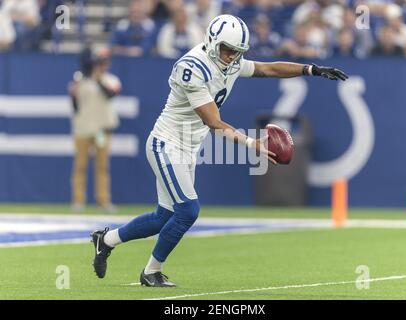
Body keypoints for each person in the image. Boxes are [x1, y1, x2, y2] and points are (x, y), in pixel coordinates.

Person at [91, 14, 348, 287]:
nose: (231, 56)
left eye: (237, 52)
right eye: (227, 49)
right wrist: (253, 144)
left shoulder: (231, 61)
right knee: (188, 211)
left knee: (163, 217)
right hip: (166, 144)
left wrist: (310, 69)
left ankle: (105, 240)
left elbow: (268, 69)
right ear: (212, 42)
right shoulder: (192, 67)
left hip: (188, 147)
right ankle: (151, 271)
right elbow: (212, 122)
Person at [69, 48, 121, 213]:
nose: (101, 66)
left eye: (104, 63)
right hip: (83, 129)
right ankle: (78, 200)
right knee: (80, 165)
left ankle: (103, 200)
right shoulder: (81, 82)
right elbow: (76, 107)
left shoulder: (111, 80)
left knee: (102, 166)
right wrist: (73, 93)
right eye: (99, 63)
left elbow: (111, 95)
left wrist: (99, 80)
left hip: (101, 130)